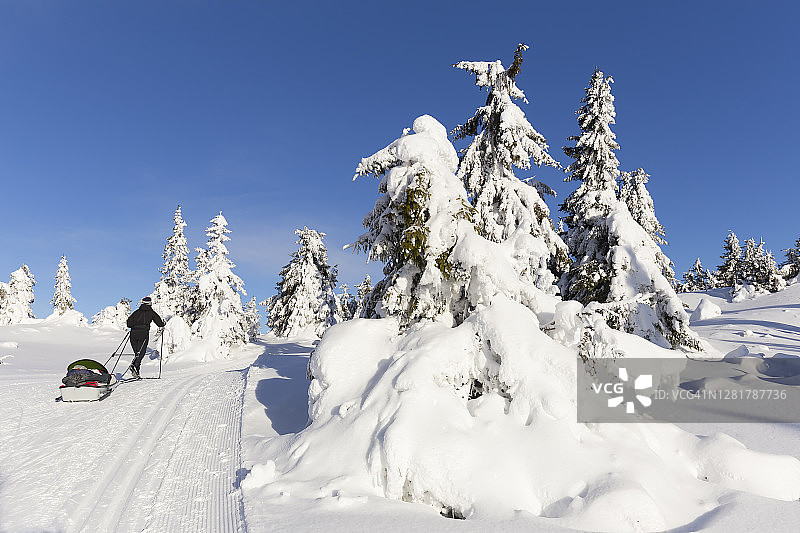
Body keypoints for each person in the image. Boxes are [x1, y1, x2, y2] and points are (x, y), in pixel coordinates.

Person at [126, 296, 165, 379]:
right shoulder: (151, 313)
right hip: (143, 333)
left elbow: (128, 324)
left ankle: (136, 372)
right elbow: (159, 323)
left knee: (137, 353)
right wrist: (163, 324)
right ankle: (134, 367)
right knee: (141, 353)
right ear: (150, 303)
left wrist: (135, 325)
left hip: (133, 333)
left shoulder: (136, 312)